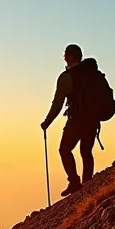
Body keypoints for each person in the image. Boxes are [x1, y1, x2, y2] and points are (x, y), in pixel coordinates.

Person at [40, 43, 102, 196]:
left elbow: (57, 104)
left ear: (68, 57)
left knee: (64, 149)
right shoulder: (91, 72)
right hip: (93, 118)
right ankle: (87, 184)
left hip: (77, 120)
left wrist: (47, 122)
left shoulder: (66, 77)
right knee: (86, 151)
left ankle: (74, 182)